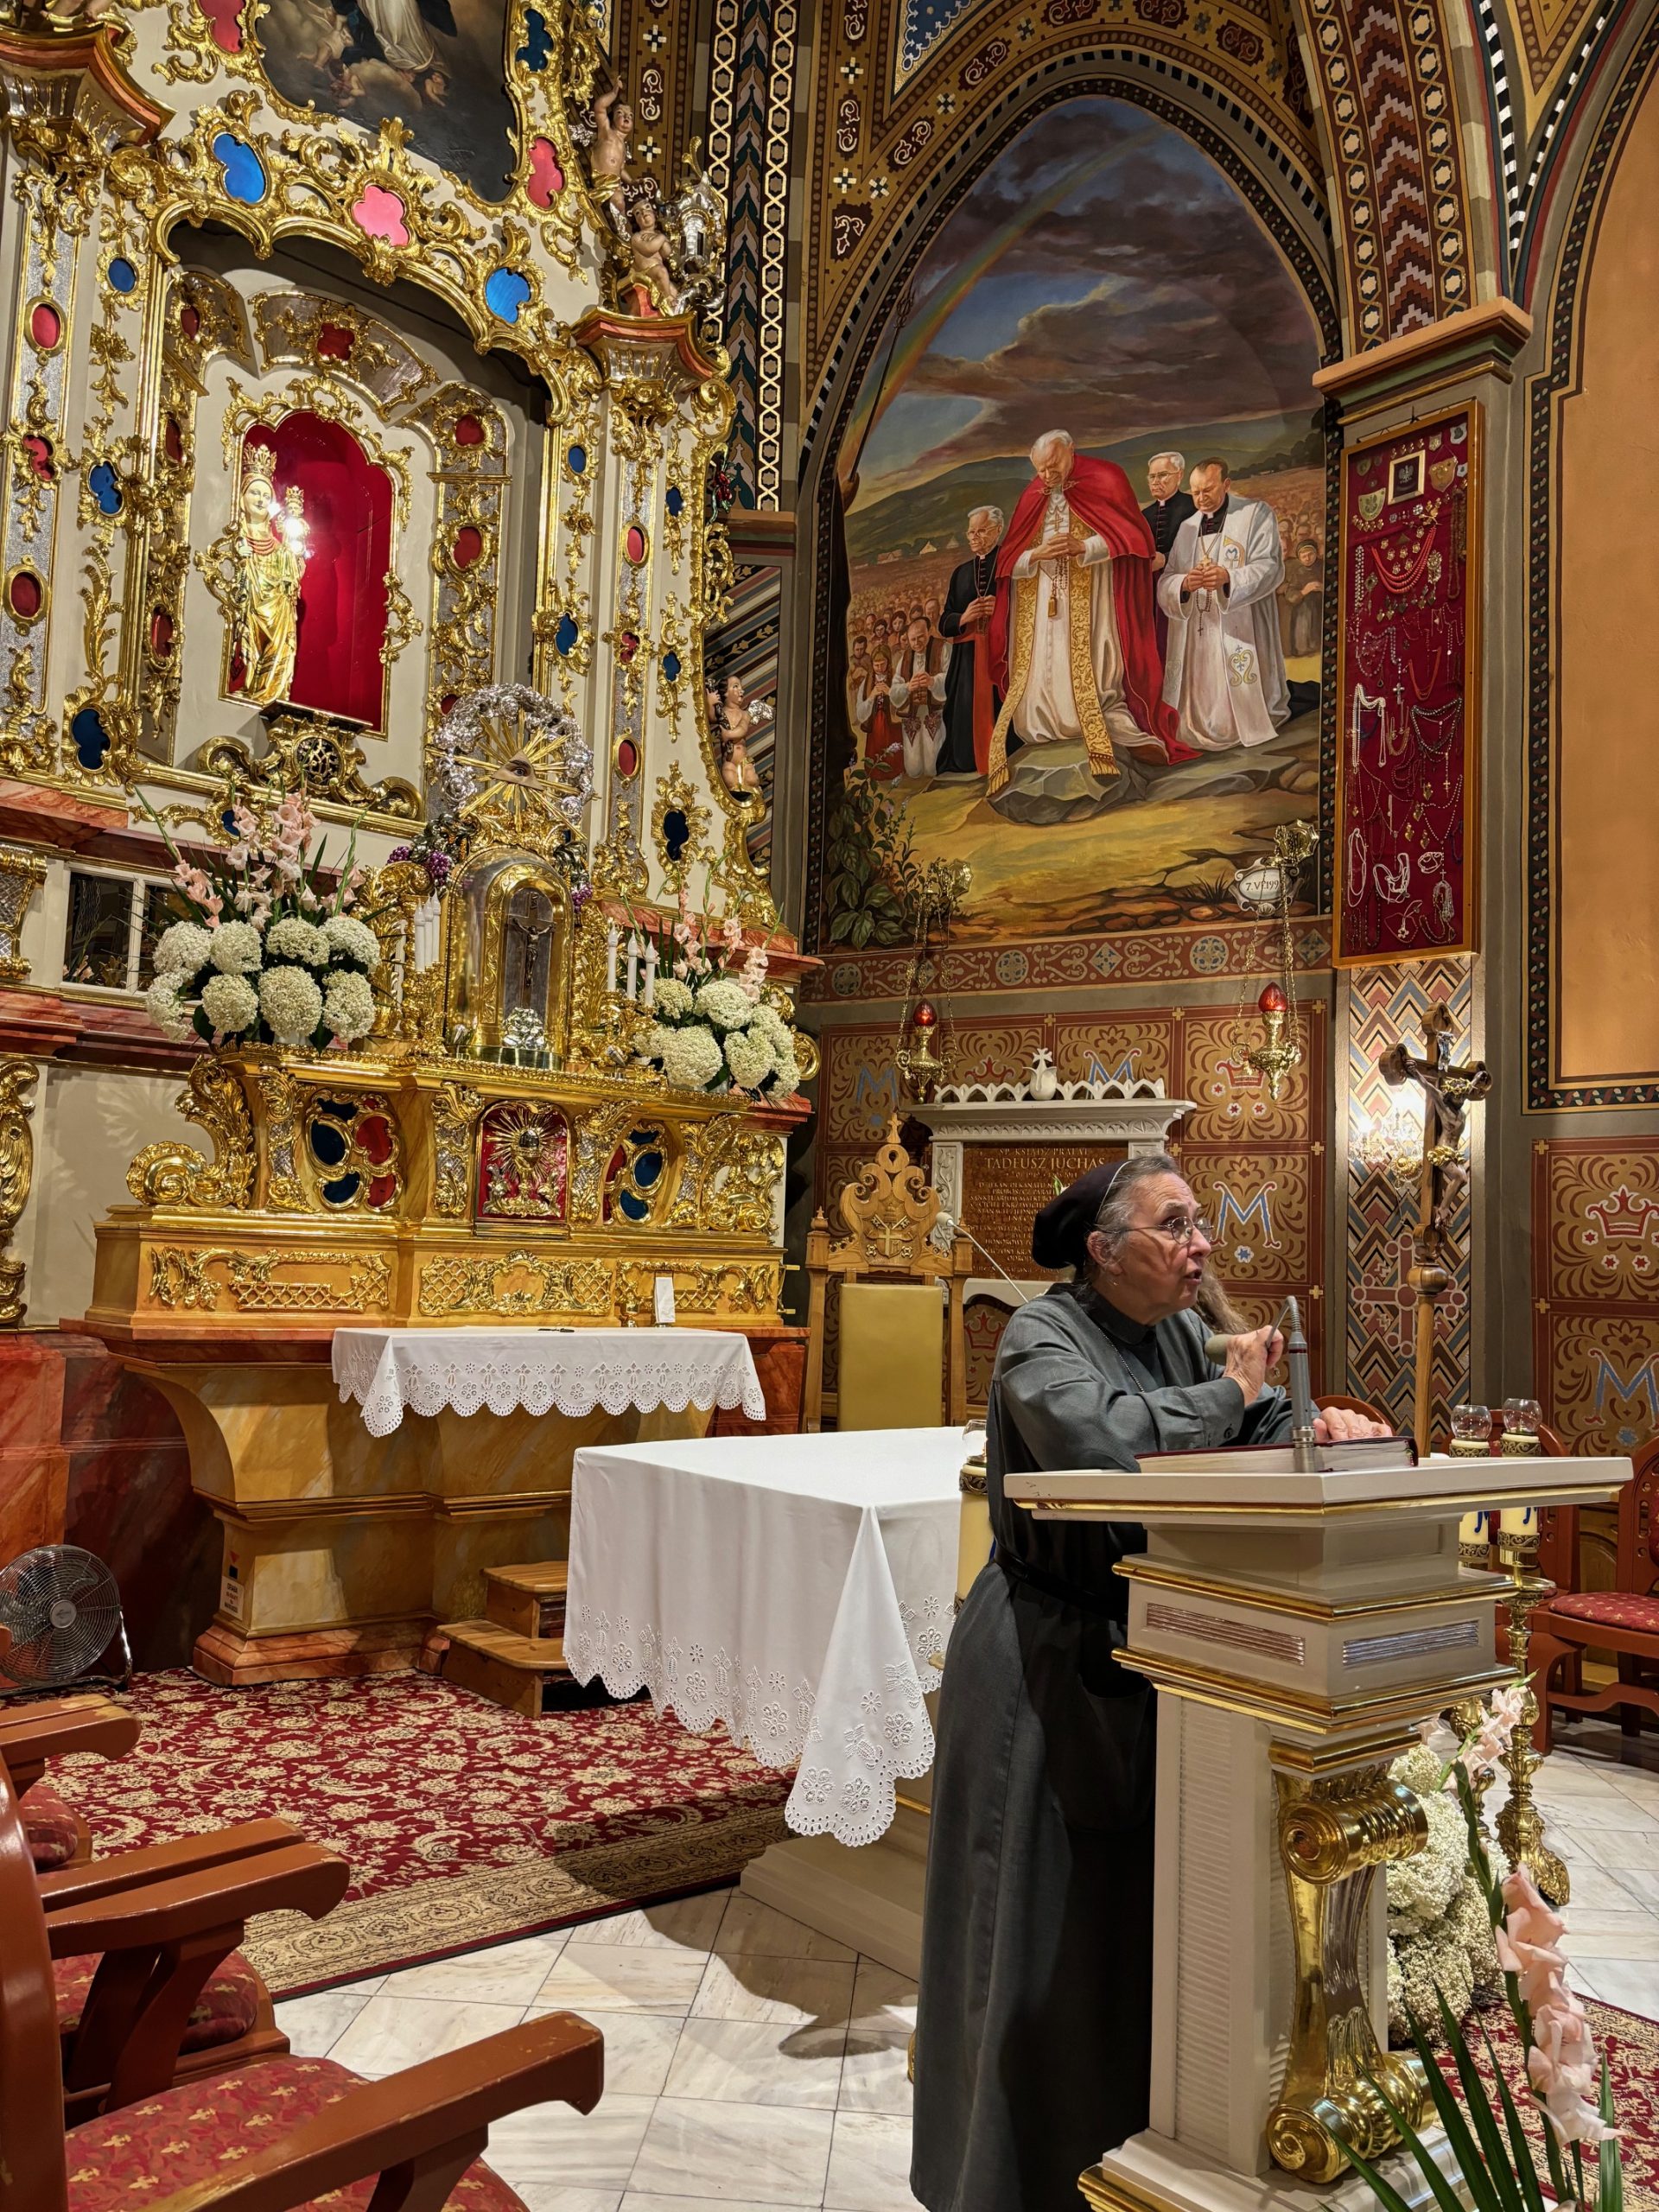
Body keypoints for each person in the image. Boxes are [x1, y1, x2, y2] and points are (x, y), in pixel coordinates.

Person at [912, 1155, 1389, 2212]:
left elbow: (1245, 1431)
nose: (1200, 1244)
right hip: (1040, 1658)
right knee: (1028, 1931)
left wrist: (1316, 1428)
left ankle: (1118, 2161)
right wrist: (1236, 1391)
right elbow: (1103, 1443)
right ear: (1104, 1249)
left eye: (1200, 1222)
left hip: (1152, 1649)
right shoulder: (1039, 1337)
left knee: (1116, 1934)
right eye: (1174, 1225)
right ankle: (1001, 2183)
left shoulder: (1177, 1335)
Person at [986, 429, 1182, 801]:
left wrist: (1084, 547)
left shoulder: (1106, 478)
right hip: (1041, 605)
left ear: (1071, 450)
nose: (1047, 476)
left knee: (1092, 663)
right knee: (1044, 664)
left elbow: (1132, 539)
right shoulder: (1032, 496)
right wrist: (1036, 555)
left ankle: (1104, 722)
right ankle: (1045, 724)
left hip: (1093, 596)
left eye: (1053, 466)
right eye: (1040, 470)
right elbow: (1009, 561)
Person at [1158, 457, 1290, 752]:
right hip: (1197, 632)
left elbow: (1270, 567)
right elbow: (1167, 579)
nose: (1201, 498)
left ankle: (1244, 724)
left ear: (1226, 484)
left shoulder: (1255, 514)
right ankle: (1196, 726)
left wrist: (1228, 578)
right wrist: (1184, 584)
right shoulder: (1187, 528)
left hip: (1238, 624)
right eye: (1195, 492)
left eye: (1207, 490)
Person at [935, 504, 1003, 777]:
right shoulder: (961, 573)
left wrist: (1003, 606)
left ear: (998, 530)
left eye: (981, 531)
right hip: (966, 659)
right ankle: (968, 763)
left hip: (1001, 652)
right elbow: (944, 622)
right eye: (971, 532)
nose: (974, 537)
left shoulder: (1010, 564)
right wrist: (964, 617)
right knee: (963, 708)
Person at [1141, 450, 1195, 658]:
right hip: (1153, 589)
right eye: (1152, 477)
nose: (1155, 482)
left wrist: (1165, 558)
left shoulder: (1194, 507)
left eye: (1162, 475)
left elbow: (1202, 546)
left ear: (1179, 475)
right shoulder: (1144, 515)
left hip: (1186, 584)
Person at [890, 611, 946, 780]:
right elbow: (894, 688)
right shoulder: (906, 656)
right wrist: (908, 687)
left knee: (933, 766)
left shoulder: (943, 648)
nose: (917, 643)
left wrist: (933, 682)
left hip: (935, 710)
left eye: (920, 637)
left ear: (929, 632)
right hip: (913, 713)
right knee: (913, 768)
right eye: (913, 639)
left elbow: (953, 677)